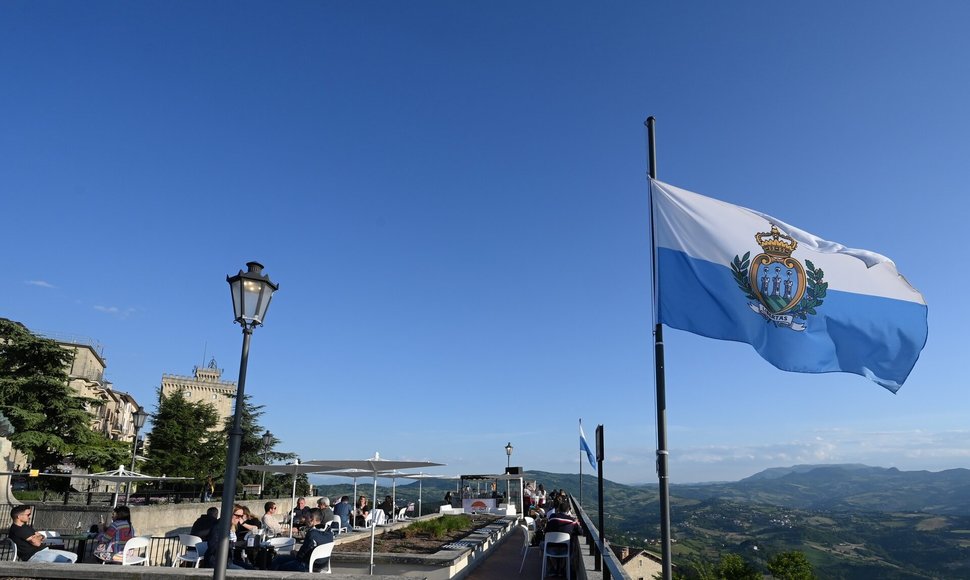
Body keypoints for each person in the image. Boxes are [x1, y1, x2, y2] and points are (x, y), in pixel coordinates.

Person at [269, 508, 334, 572]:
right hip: (322, 563)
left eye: (306, 518)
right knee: (280, 559)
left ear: (311, 519)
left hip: (308, 564)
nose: (305, 520)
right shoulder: (329, 531)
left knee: (279, 563)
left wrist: (295, 553)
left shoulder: (312, 533)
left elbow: (301, 556)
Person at [203, 504, 254, 570]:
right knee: (244, 571)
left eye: (241, 516)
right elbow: (214, 546)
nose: (239, 519)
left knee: (251, 569)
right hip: (217, 561)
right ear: (230, 514)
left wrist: (243, 544)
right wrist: (235, 544)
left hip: (229, 560)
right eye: (238, 516)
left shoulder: (232, 526)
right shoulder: (219, 526)